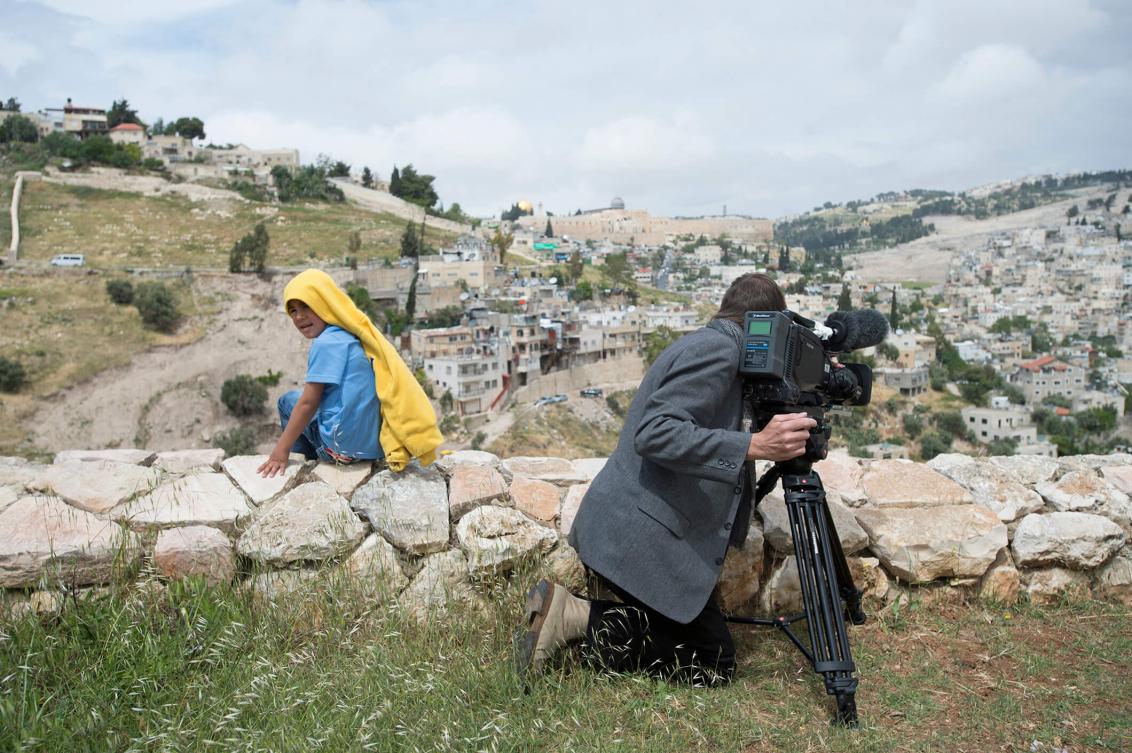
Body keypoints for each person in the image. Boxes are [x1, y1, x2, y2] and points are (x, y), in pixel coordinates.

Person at [515, 273, 817, 685]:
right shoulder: (720, 350)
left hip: (639, 528)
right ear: (766, 324)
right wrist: (756, 446)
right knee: (713, 663)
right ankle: (574, 617)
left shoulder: (710, 342)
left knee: (692, 634)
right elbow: (657, 431)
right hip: (640, 537)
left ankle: (572, 619)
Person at [258, 268, 443, 478]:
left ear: (324, 303)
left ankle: (303, 465)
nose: (300, 316)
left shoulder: (326, 343)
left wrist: (279, 451)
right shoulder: (355, 333)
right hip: (375, 448)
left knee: (289, 401)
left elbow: (308, 403)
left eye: (306, 306)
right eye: (293, 310)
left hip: (342, 451)